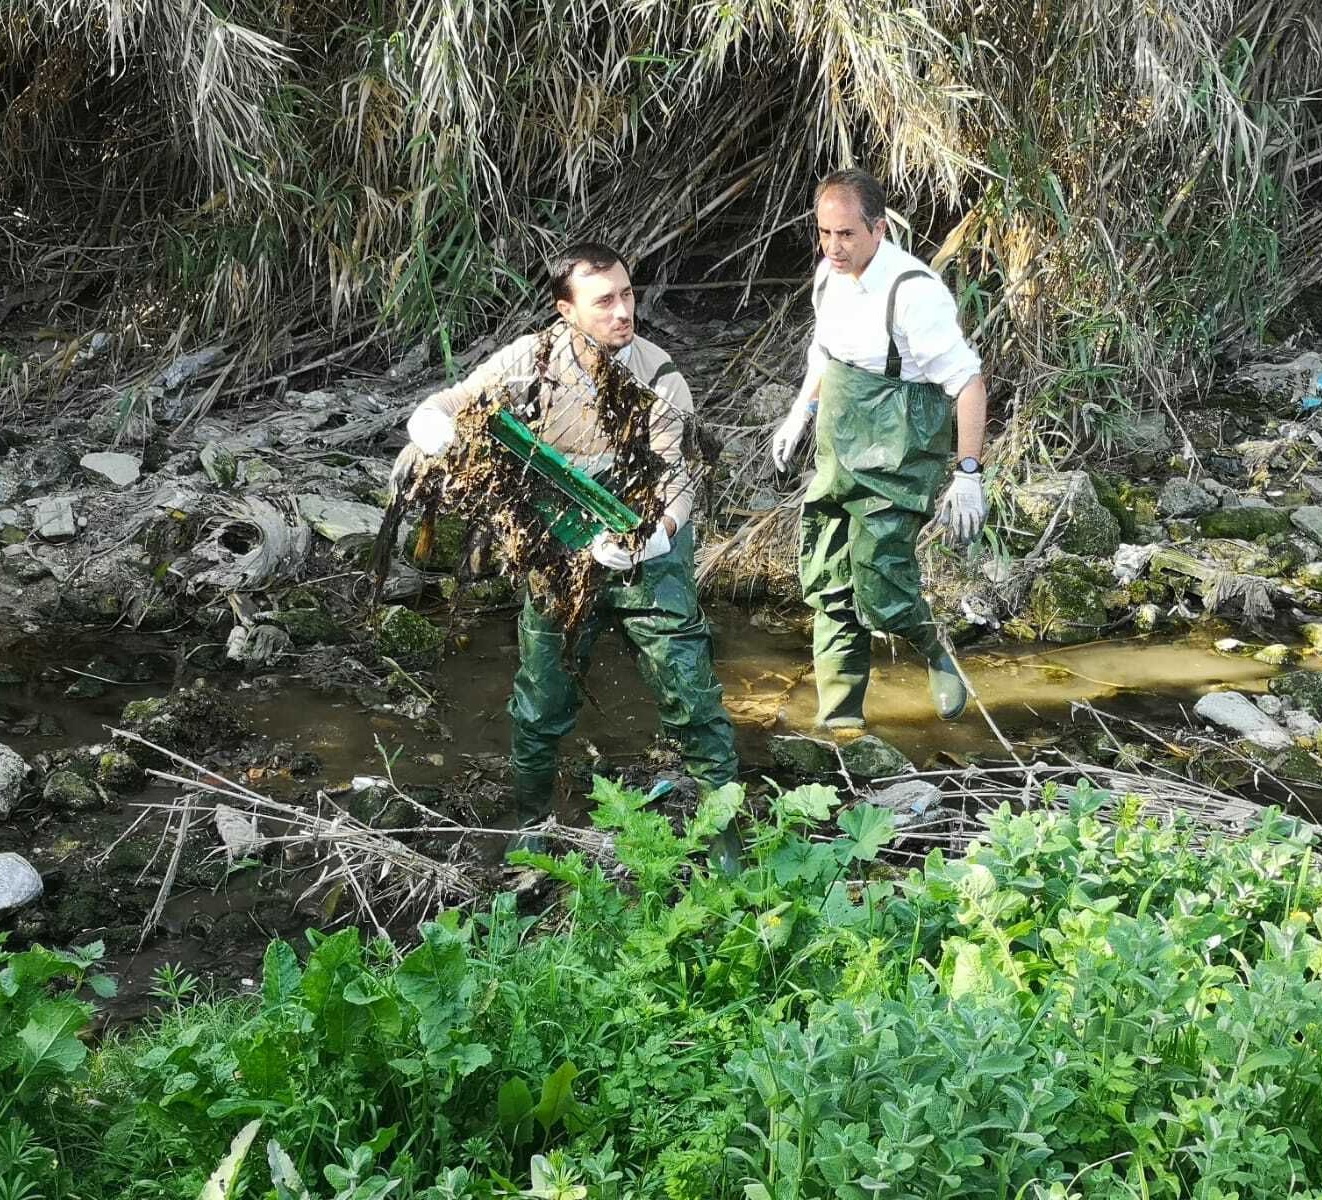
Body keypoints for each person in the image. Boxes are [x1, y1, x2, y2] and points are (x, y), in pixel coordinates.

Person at [391, 242, 739, 823]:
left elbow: (673, 474)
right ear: (565, 310)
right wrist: (431, 424)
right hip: (560, 545)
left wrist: (657, 534)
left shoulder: (657, 373)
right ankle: (531, 821)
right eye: (603, 301)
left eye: (627, 295)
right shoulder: (531, 360)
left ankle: (724, 825)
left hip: (646, 544)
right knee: (541, 698)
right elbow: (455, 401)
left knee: (690, 690)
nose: (623, 312)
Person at [771, 168, 989, 729]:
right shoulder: (828, 277)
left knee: (881, 581)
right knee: (827, 580)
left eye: (846, 234)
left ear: (878, 228)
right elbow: (825, 352)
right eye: (824, 233)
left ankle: (933, 647)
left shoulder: (912, 293)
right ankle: (839, 720)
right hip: (838, 443)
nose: (833, 247)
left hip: (897, 452)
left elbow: (967, 382)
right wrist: (801, 413)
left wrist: (968, 473)